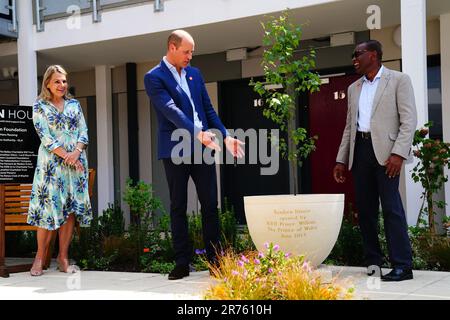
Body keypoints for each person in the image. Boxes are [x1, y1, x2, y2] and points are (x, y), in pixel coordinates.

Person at [144, 30, 244, 280]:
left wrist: (225, 134)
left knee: (210, 204)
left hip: (204, 145)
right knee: (178, 205)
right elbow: (169, 110)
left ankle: (215, 261)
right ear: (172, 47)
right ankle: (181, 262)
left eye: (192, 51)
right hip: (176, 147)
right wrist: (197, 133)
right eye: (186, 51)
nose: (190, 56)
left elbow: (208, 109)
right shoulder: (153, 77)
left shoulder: (195, 74)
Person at [333, 40, 417, 282]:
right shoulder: (353, 87)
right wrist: (341, 159)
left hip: (387, 153)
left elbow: (409, 120)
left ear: (373, 54)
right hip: (360, 151)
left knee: (391, 208)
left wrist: (399, 154)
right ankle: (373, 263)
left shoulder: (399, 80)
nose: (354, 59)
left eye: (357, 54)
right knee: (366, 210)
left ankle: (403, 265)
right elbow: (350, 126)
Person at [28, 65, 92, 276]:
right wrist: (67, 155)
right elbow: (45, 138)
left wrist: (76, 152)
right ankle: (39, 258)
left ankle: (63, 258)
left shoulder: (74, 105)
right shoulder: (39, 107)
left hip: (75, 165)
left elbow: (83, 130)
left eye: (64, 81)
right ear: (47, 83)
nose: (62, 85)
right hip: (51, 167)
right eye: (57, 81)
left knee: (69, 211)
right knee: (48, 210)